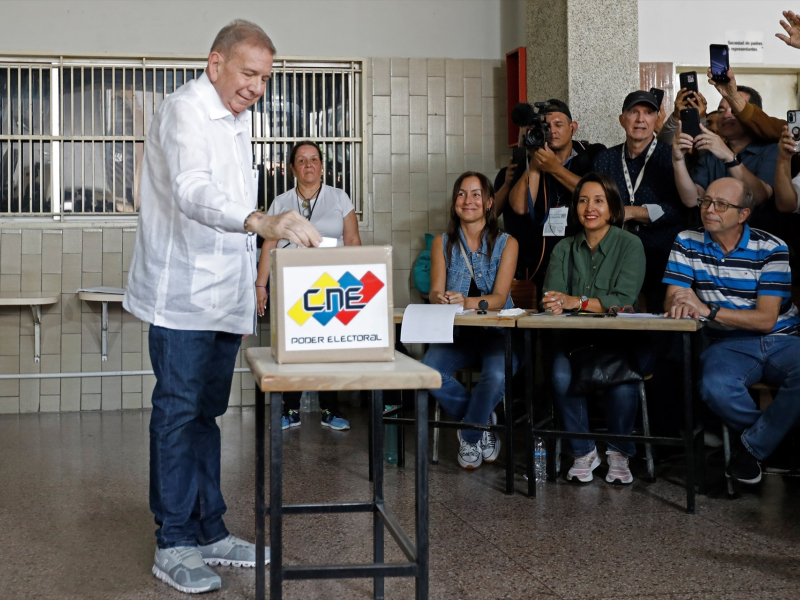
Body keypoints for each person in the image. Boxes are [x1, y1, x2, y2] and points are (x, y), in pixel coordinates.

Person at [123, 20, 321, 594]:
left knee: (207, 414)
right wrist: (263, 221)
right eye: (248, 73)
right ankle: (175, 541)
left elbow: (227, 198)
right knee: (178, 413)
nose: (257, 86)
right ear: (215, 63)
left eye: (265, 77)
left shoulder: (240, 119)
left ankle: (210, 529)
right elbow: (193, 191)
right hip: (182, 297)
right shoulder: (186, 109)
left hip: (224, 296)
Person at [663, 177, 800, 485]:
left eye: (721, 204)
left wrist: (707, 309)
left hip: (782, 339)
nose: (709, 210)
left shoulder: (772, 247)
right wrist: (683, 302)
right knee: (714, 386)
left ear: (743, 215)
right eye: (706, 201)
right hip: (728, 343)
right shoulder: (686, 240)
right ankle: (771, 443)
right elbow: (675, 299)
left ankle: (753, 449)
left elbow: (766, 319)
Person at [541, 172, 652, 485]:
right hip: (574, 340)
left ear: (613, 209)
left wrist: (575, 301)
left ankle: (619, 451)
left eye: (599, 201)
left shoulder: (630, 245)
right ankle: (584, 451)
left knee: (623, 379)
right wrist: (555, 303)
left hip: (620, 340)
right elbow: (552, 297)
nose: (589, 207)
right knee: (560, 374)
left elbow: (621, 300)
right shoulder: (564, 248)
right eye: (583, 200)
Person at [255, 140, 360, 431]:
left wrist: (355, 283)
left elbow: (352, 240)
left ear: (322, 166)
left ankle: (330, 409)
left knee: (329, 347)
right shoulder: (281, 201)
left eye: (314, 159)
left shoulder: (339, 197)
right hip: (293, 285)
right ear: (292, 168)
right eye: (301, 160)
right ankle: (290, 409)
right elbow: (269, 246)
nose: (308, 165)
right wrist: (260, 286)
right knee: (293, 348)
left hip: (332, 284)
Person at [422, 171, 519, 470]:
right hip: (458, 334)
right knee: (428, 371)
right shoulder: (442, 243)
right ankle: (481, 420)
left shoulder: (507, 243)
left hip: (498, 334)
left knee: (498, 375)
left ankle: (470, 432)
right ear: (454, 203)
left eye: (476, 194)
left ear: (489, 202)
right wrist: (441, 298)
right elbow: (435, 291)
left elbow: (500, 298)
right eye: (462, 194)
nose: (469, 200)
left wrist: (463, 301)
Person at [493, 100, 604, 297]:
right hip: (535, 264)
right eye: (546, 126)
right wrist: (536, 162)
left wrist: (554, 168)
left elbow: (599, 196)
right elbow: (520, 207)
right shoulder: (524, 164)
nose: (552, 131)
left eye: (558, 125)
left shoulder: (592, 155)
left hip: (582, 261)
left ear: (573, 128)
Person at [593, 91, 685, 312]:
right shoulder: (605, 159)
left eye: (648, 113)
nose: (641, 119)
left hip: (660, 257)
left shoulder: (670, 156)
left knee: (657, 331)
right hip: (614, 257)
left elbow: (678, 209)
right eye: (634, 112)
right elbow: (595, 207)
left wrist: (632, 212)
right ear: (622, 119)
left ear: (656, 119)